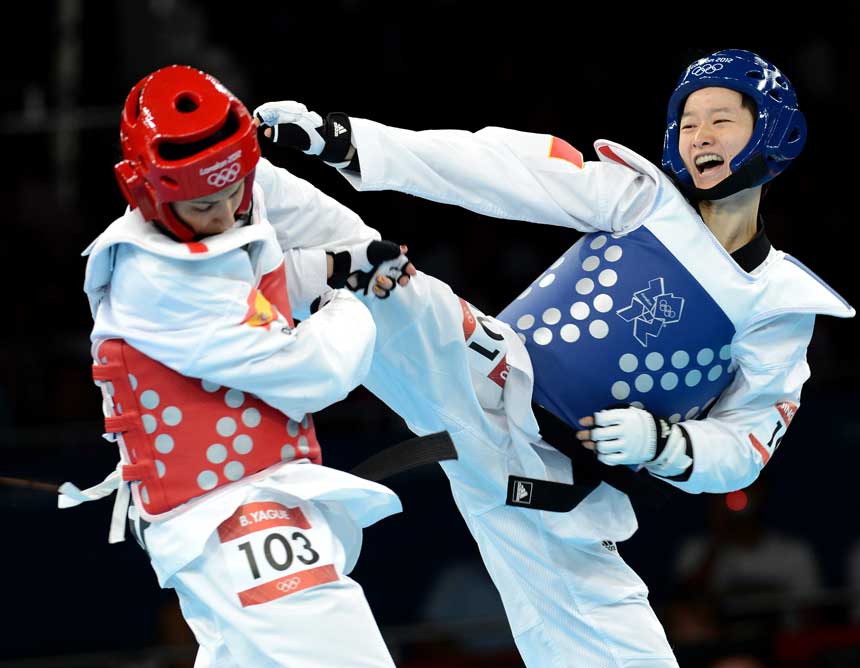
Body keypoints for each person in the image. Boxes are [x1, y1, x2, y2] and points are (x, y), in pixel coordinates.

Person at [253, 49, 854, 667]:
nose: (698, 134)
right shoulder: (641, 199)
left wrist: (663, 445)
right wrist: (346, 141)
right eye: (688, 120)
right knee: (373, 270)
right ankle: (229, 173)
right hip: (487, 378)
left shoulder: (779, 306)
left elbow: (747, 444)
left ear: (774, 130)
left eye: (720, 119)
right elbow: (496, 167)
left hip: (560, 497)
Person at [58, 65, 411, 668]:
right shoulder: (158, 279)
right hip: (229, 516)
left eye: (235, 192)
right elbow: (311, 371)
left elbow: (259, 289)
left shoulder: (218, 210)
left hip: (246, 502)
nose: (225, 213)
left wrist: (335, 265)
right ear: (147, 192)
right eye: (203, 204)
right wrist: (349, 299)